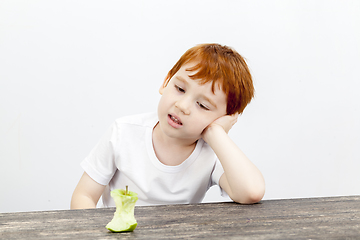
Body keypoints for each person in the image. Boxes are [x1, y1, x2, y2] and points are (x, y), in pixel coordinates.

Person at [71, 43, 265, 209]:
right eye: (180, 89)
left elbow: (251, 192)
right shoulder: (123, 132)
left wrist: (216, 133)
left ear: (222, 118)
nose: (182, 106)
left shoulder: (212, 155)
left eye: (203, 105)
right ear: (166, 82)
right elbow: (84, 196)